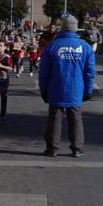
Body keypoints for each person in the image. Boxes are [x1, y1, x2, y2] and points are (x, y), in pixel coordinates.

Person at [39, 15, 96, 158]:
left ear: (62, 28)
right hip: (76, 89)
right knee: (75, 118)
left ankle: (52, 148)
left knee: (55, 118)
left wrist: (43, 89)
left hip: (56, 88)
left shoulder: (51, 46)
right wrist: (88, 90)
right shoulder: (85, 47)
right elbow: (89, 72)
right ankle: (77, 148)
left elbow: (44, 72)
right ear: (76, 28)